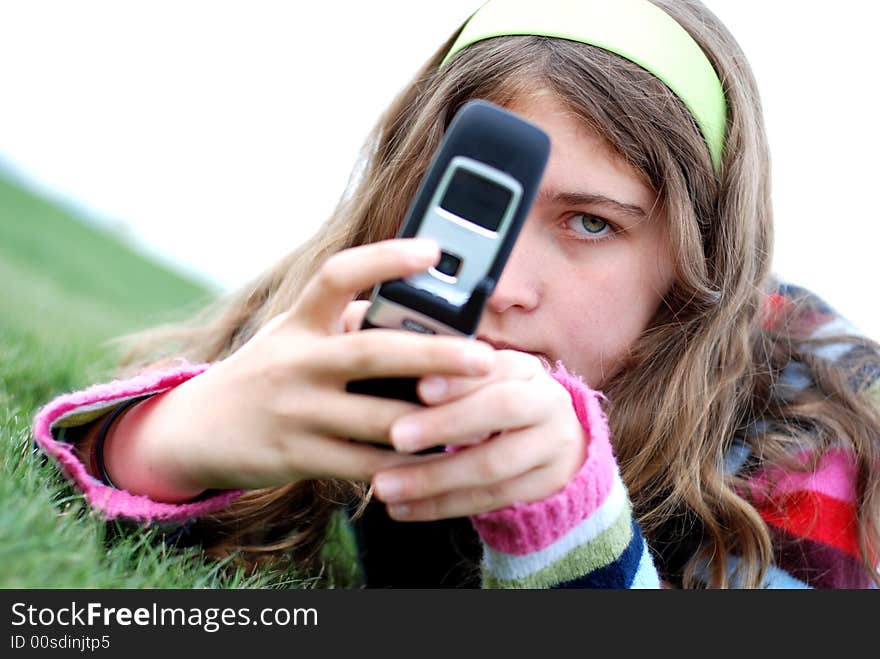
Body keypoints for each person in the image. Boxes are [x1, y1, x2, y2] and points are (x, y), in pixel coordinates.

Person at [32, 0, 880, 589]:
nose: (500, 287)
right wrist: (180, 438)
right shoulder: (362, 305)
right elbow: (70, 498)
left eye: (590, 224)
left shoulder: (807, 444)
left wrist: (568, 521)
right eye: (476, 213)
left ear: (698, 264)